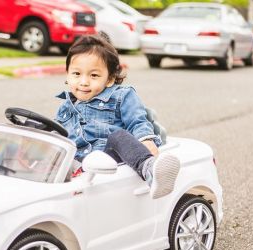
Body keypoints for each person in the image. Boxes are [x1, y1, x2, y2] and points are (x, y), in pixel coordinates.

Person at [55, 35, 180, 199]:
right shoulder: (66, 106)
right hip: (76, 165)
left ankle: (150, 169)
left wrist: (146, 141)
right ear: (67, 74)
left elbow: (137, 122)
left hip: (110, 156)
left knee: (118, 136)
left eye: (93, 76)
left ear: (110, 79)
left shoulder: (121, 95)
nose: (83, 82)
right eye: (77, 74)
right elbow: (57, 134)